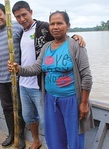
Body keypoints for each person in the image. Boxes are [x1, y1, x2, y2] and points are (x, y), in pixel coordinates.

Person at [8, 10, 94, 149]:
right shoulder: (46, 47)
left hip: (71, 99)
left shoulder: (75, 45)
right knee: (54, 137)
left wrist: (84, 103)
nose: (55, 26)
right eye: (52, 23)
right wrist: (19, 69)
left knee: (74, 139)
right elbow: (37, 68)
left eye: (59, 23)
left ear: (68, 25)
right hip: (50, 99)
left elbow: (87, 77)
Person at [0, 3, 26, 148]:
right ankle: (11, 134)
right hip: (2, 78)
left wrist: (73, 36)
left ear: (5, 14)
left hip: (16, 77)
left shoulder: (17, 27)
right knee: (6, 108)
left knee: (19, 108)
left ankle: (20, 136)